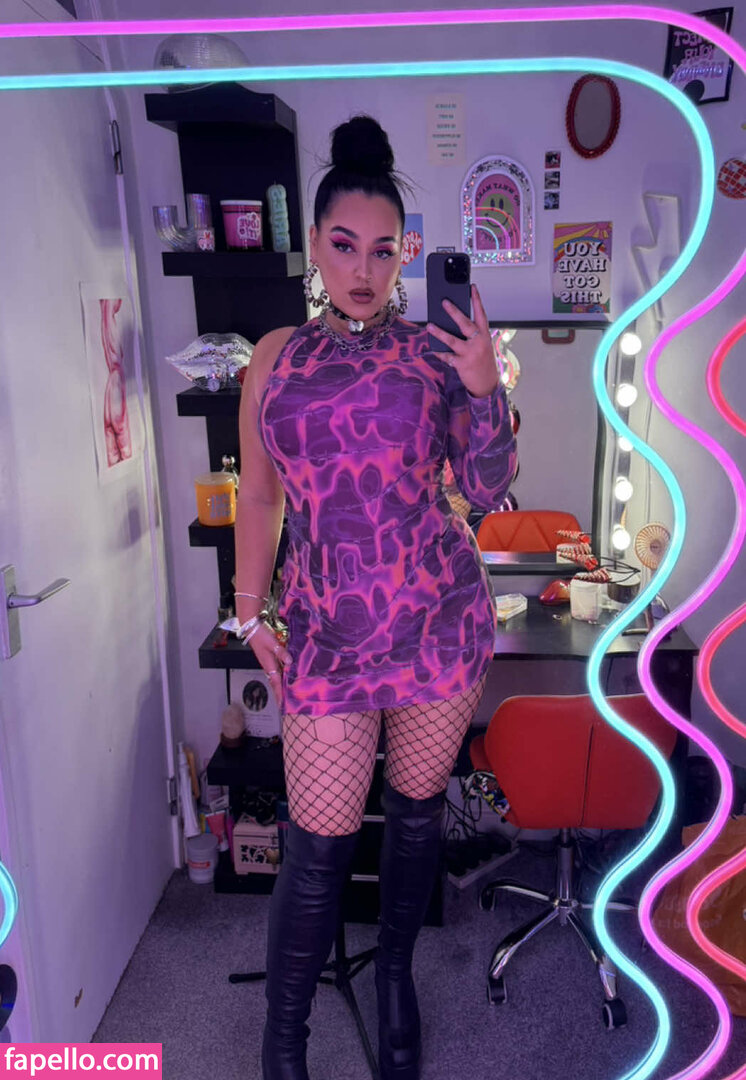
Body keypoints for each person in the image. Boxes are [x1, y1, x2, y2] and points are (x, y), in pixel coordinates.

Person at [233, 115, 518, 1080]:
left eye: (384, 250)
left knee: (416, 816)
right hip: (326, 633)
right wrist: (248, 610)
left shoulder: (438, 350)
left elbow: (485, 489)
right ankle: (285, 1039)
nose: (364, 269)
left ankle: (396, 979)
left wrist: (483, 385)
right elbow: (260, 495)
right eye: (346, 245)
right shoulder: (275, 356)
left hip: (437, 621)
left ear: (404, 255)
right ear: (315, 245)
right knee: (316, 849)